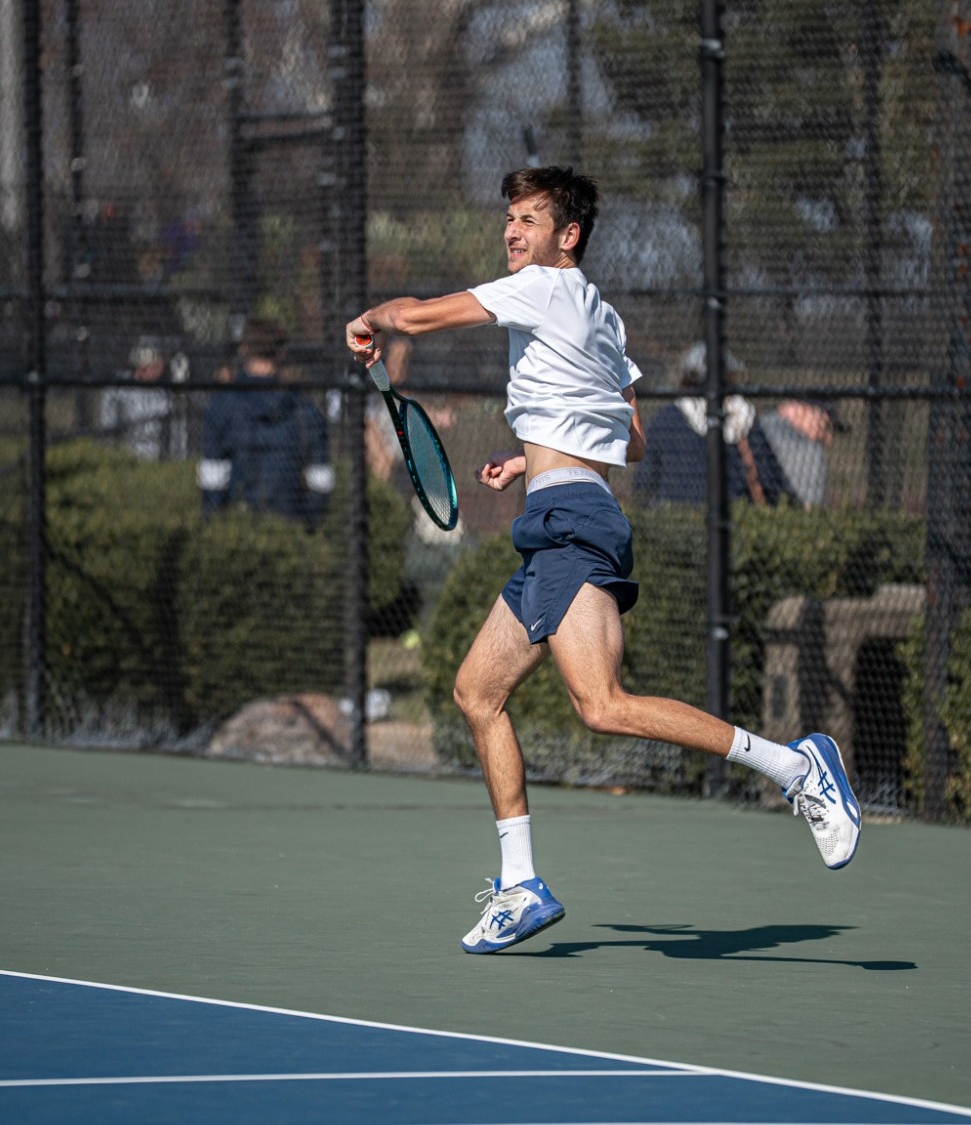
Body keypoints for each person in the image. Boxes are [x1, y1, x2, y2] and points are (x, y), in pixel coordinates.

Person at [344, 166, 860, 955]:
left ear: (567, 236)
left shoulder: (546, 289)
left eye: (528, 219)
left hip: (572, 523)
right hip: (568, 510)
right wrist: (535, 462)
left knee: (602, 703)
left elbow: (422, 315)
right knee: (477, 691)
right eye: (508, 218)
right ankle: (520, 883)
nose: (512, 231)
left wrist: (374, 319)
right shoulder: (604, 319)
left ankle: (796, 768)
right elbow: (631, 439)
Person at [199, 319, 333, 523]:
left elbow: (212, 477)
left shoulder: (222, 404)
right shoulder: (303, 408)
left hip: (237, 526)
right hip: (290, 523)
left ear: (244, 350)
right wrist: (308, 524)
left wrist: (217, 523)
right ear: (281, 353)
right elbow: (321, 479)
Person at [632, 342, 795, 507]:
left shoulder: (665, 421)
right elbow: (771, 482)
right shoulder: (744, 418)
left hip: (676, 517)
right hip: (738, 516)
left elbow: (644, 484)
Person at [99, 337, 186, 460]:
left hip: (156, 460)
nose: (161, 368)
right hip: (128, 457)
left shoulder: (163, 393)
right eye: (156, 365)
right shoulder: (120, 388)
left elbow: (177, 433)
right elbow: (107, 427)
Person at [758, 399, 838, 507]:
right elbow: (810, 508)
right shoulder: (809, 453)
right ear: (797, 410)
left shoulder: (758, 428)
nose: (829, 439)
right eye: (825, 426)